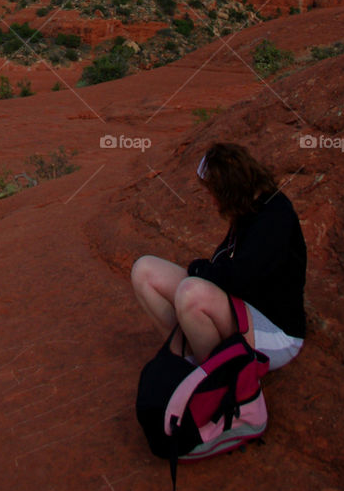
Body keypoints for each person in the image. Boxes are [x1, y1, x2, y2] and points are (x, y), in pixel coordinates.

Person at [131, 142, 306, 370]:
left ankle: (217, 378)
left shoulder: (273, 216)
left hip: (275, 333)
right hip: (241, 312)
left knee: (191, 294)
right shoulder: (249, 207)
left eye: (213, 192)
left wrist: (199, 269)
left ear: (229, 189)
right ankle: (186, 358)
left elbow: (239, 280)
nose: (212, 200)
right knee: (144, 271)